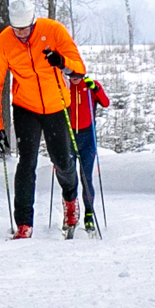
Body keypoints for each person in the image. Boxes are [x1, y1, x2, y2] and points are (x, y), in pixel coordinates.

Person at [0, 0, 87, 238]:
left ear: (33, 21)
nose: (21, 34)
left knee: (62, 161)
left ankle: (71, 201)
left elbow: (79, 69)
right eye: (16, 28)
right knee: (26, 164)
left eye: (25, 28)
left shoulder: (53, 30)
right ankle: (23, 223)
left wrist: (62, 63)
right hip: (25, 108)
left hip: (57, 105)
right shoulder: (3, 42)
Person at [71, 73, 109, 235]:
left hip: (88, 138)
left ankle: (88, 214)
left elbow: (105, 103)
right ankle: (70, 214)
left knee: (86, 177)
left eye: (77, 74)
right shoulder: (64, 86)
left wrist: (96, 88)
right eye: (70, 74)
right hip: (69, 136)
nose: (74, 78)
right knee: (69, 179)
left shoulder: (90, 85)